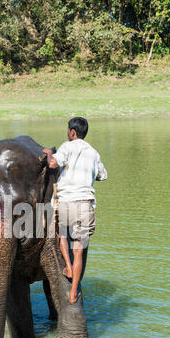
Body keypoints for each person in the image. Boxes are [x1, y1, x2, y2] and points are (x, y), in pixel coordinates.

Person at [42, 117, 107, 303]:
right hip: (85, 204)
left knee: (61, 234)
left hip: (65, 202)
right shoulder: (93, 153)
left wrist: (48, 154)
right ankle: (73, 292)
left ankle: (68, 267)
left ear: (72, 132)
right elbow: (103, 175)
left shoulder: (67, 147)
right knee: (78, 248)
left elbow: (53, 164)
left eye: (68, 130)